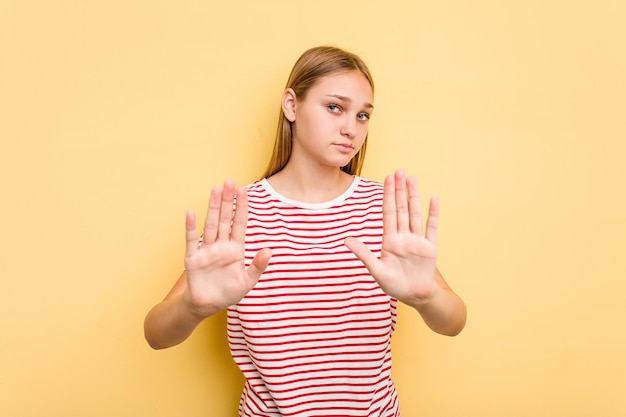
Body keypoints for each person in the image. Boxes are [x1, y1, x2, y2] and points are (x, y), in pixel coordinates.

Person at [144, 45, 467, 417]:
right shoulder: (241, 213)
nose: (351, 128)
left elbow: (454, 321)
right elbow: (156, 334)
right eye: (335, 107)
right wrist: (192, 307)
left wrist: (426, 298)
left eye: (363, 115)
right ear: (291, 106)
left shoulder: (382, 208)